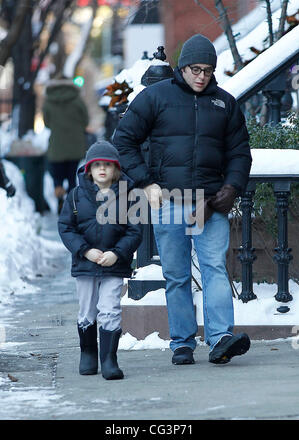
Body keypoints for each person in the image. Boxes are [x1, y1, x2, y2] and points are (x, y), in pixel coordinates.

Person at [113, 34, 252, 365]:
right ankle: (182, 343)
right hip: (170, 201)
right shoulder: (155, 97)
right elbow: (123, 140)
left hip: (209, 203)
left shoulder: (225, 103)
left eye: (207, 70)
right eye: (194, 69)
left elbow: (239, 153)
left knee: (215, 267)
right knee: (176, 274)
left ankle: (220, 339)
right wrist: (145, 183)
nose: (201, 76)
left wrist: (231, 188)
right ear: (182, 67)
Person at [58, 141, 142, 380]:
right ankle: (88, 353)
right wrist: (84, 250)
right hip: (85, 264)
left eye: (107, 165)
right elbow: (66, 227)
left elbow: (135, 231)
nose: (102, 169)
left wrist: (117, 253)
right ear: (89, 169)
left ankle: (109, 359)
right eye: (97, 166)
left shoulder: (128, 196)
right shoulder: (75, 196)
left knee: (110, 308)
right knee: (86, 309)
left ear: (115, 169)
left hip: (114, 264)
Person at [43, 76, 89, 213]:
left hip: (57, 146)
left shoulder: (48, 102)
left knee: (57, 176)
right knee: (71, 177)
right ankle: (72, 205)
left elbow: (46, 123)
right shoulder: (77, 100)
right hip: (75, 144)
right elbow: (85, 121)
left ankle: (59, 201)